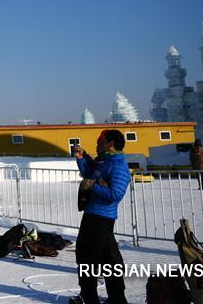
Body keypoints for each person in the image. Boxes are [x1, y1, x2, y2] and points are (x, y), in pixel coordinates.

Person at [72, 129, 130, 304]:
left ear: (110, 144)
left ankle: (89, 297)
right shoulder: (105, 162)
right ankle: (117, 298)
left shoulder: (117, 165)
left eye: (100, 142)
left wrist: (93, 187)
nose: (97, 145)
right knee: (109, 259)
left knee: (87, 257)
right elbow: (91, 175)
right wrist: (81, 158)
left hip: (101, 218)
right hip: (92, 214)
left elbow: (116, 194)